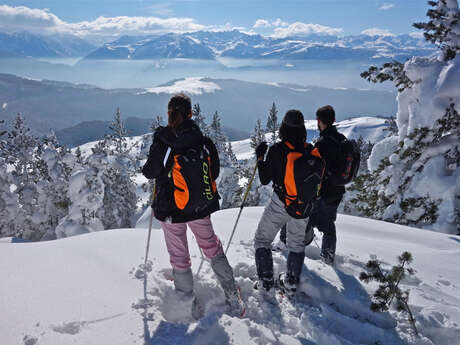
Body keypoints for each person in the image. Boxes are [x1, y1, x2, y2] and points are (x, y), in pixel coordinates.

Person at [142, 93, 245, 318]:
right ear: (190, 114)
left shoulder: (164, 141)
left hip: (171, 210)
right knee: (212, 247)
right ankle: (232, 294)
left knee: (179, 256)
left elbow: (149, 172)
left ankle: (186, 301)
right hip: (200, 206)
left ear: (169, 114)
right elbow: (214, 172)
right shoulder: (203, 141)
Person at [253, 109, 313, 297]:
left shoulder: (278, 150)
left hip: (280, 201)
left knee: (262, 240)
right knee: (296, 244)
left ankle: (266, 282)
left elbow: (264, 179)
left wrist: (260, 157)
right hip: (303, 205)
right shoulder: (309, 149)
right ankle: (291, 283)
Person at [307, 105, 346, 265]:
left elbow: (315, 169)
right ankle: (327, 257)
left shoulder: (322, 143)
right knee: (328, 226)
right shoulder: (342, 139)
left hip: (323, 191)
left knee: (307, 219)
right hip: (338, 190)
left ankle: (292, 247)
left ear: (320, 121)